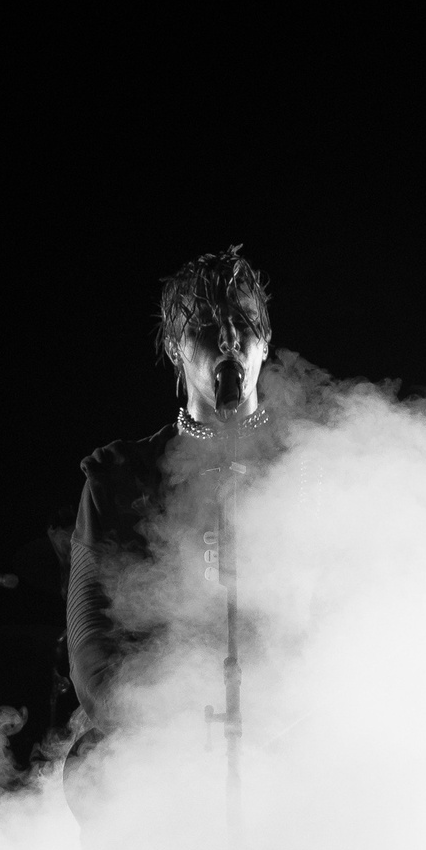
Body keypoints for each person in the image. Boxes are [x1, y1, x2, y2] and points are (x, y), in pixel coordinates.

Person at [63, 247, 278, 749]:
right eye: (205, 325)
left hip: (291, 741)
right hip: (163, 745)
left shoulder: (316, 464)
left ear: (264, 344)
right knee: (93, 766)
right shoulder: (121, 477)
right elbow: (92, 645)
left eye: (243, 323)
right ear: (176, 349)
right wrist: (163, 735)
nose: (228, 338)